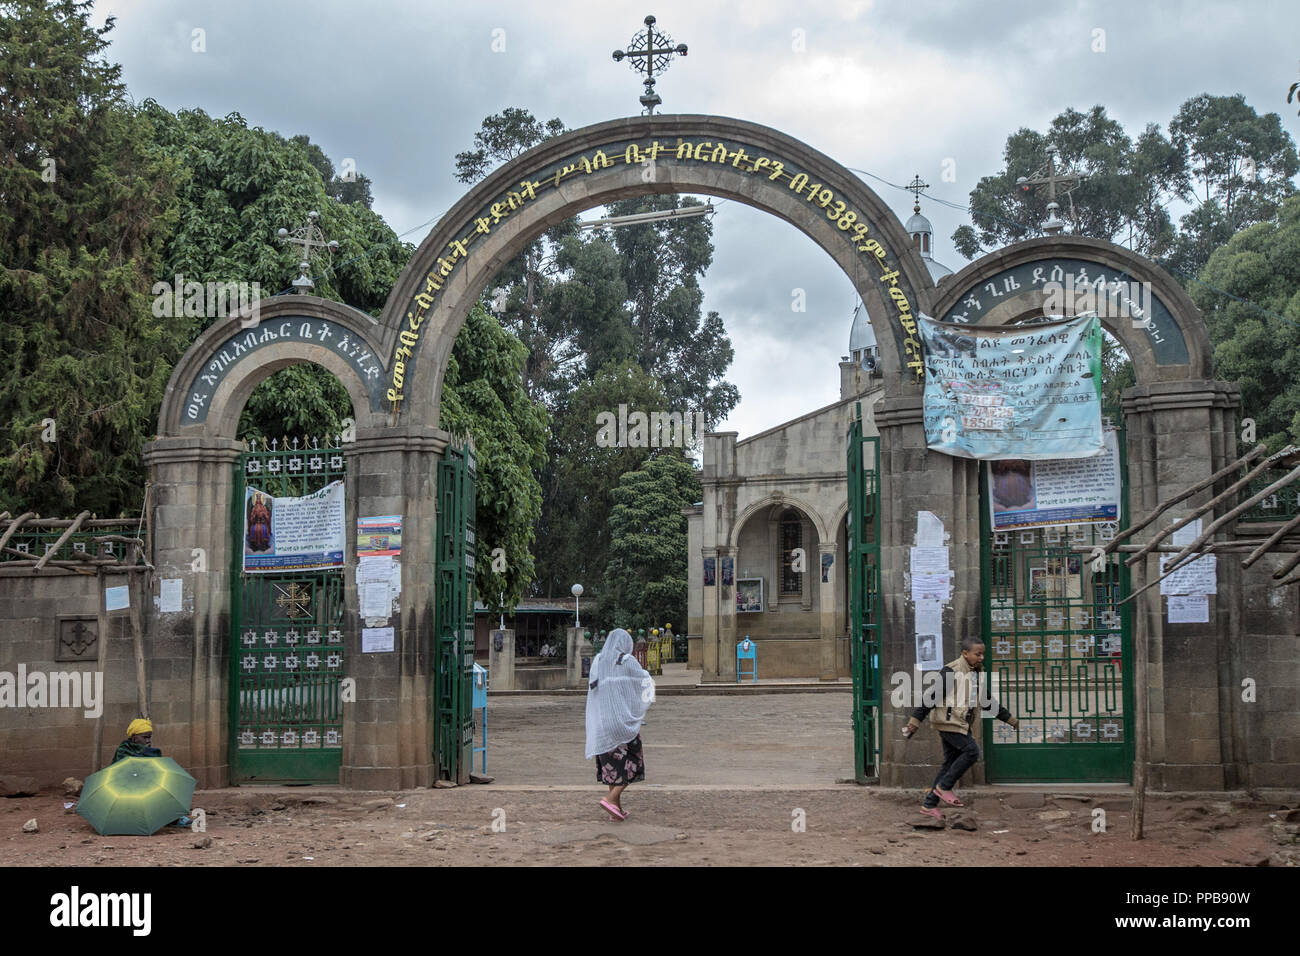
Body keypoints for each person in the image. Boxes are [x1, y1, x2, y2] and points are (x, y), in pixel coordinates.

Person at [902, 635, 1018, 820]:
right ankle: (944, 787)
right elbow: (931, 696)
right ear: (965, 653)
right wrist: (915, 720)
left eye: (983, 654)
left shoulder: (977, 672)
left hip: (962, 724)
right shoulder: (951, 671)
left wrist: (1010, 719)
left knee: (949, 763)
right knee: (972, 751)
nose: (981, 658)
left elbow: (986, 701)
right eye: (977, 654)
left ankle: (929, 805)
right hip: (949, 723)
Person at [585, 628, 655, 821]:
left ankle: (616, 810)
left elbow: (594, 690)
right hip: (621, 724)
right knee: (634, 762)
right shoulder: (627, 661)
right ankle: (610, 798)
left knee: (612, 766)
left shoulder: (598, 661)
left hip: (603, 723)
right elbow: (642, 681)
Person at [111, 718, 191, 828]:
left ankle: (172, 817)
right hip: (128, 789)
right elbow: (120, 772)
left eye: (149, 737)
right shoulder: (123, 751)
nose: (148, 741)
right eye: (145, 737)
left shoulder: (150, 752)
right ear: (134, 738)